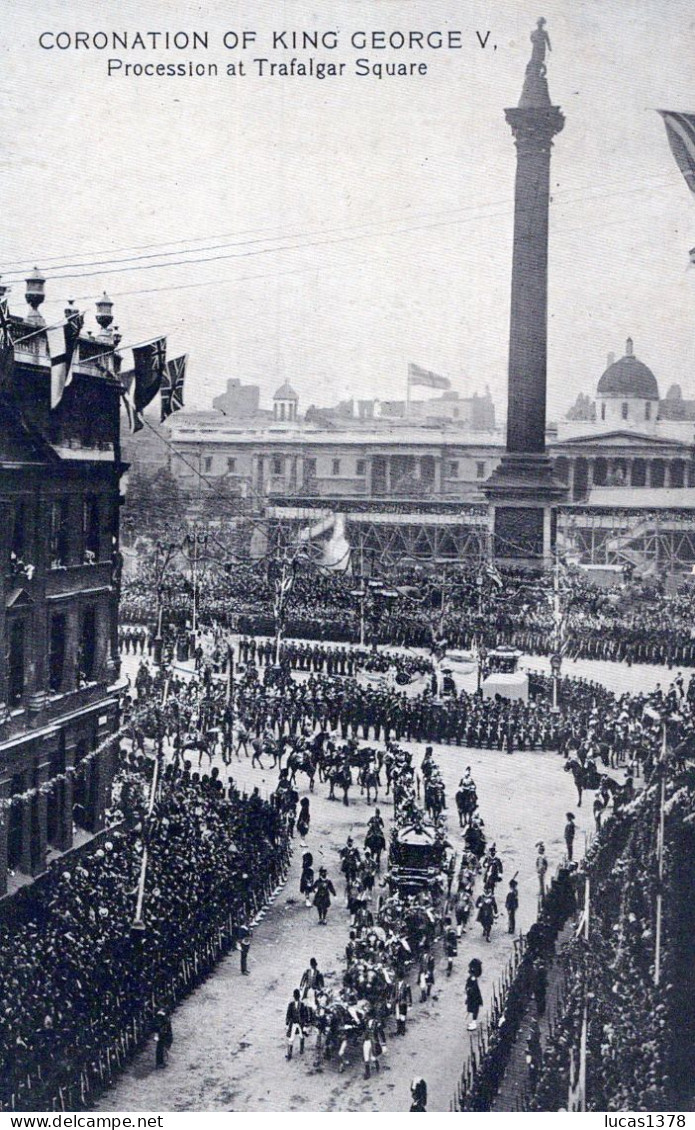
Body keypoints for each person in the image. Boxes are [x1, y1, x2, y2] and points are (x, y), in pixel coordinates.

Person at [285, 989, 307, 1060]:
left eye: (297, 996)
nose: (296, 997)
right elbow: (288, 1014)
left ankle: (301, 1049)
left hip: (300, 1024)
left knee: (301, 1036)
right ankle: (289, 1054)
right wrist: (287, 1021)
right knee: (291, 1038)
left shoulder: (302, 1005)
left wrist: (304, 1023)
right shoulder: (291, 1005)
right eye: (296, 996)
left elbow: (304, 1015)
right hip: (293, 1023)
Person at [465, 963, 483, 1031]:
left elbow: (473, 989)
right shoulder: (472, 979)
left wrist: (469, 990)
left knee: (475, 1009)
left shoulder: (473, 979)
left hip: (474, 998)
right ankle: (473, 1022)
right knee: (473, 1009)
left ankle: (474, 1023)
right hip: (473, 997)